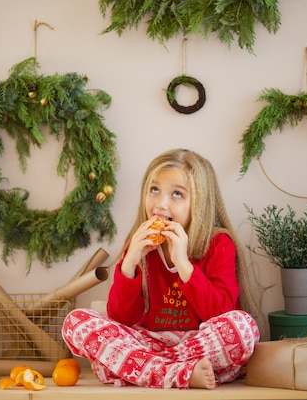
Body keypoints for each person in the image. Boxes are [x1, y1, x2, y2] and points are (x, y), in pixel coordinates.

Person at [61, 148, 259, 389]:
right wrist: (130, 263)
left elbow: (222, 314)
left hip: (202, 342)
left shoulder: (218, 244)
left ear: (200, 203)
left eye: (177, 194)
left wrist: (183, 265)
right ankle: (179, 374)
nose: (161, 204)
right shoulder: (139, 242)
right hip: (151, 341)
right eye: (154, 190)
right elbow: (122, 318)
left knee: (242, 327)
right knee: (75, 322)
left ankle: (136, 370)